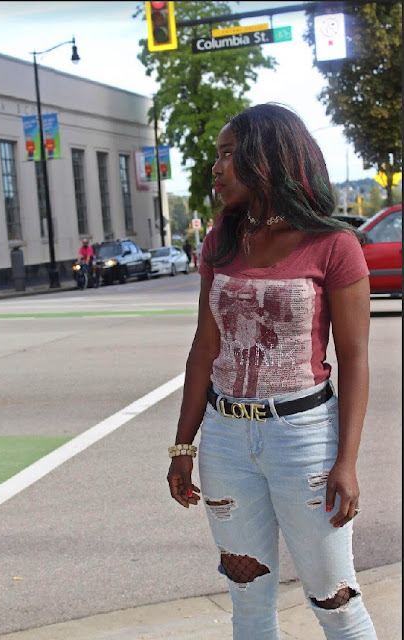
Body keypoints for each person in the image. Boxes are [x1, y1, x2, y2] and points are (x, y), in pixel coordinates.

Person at [167, 103, 376, 639]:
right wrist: (182, 446)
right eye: (217, 156)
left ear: (268, 158)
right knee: (249, 604)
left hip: (303, 439)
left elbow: (354, 359)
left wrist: (347, 461)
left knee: (335, 600)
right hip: (225, 441)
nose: (216, 168)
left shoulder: (333, 244)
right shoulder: (221, 241)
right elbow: (204, 348)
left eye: (228, 154)